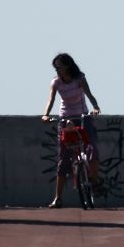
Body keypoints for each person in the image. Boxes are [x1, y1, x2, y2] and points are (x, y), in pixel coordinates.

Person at [40, 52, 101, 208]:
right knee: (64, 159)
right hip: (65, 118)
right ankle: (57, 198)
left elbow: (89, 94)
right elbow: (51, 100)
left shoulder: (79, 78)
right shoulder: (56, 83)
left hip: (82, 116)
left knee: (92, 148)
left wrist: (95, 107)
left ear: (67, 66)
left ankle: (95, 182)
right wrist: (46, 115)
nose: (57, 71)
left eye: (59, 67)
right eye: (55, 68)